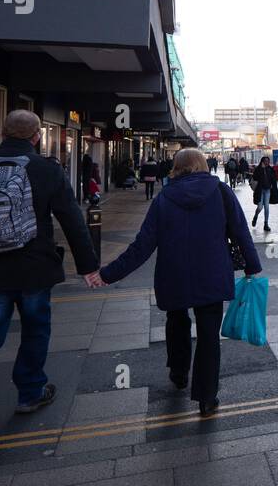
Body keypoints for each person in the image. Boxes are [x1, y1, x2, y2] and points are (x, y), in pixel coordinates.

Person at [0, 109, 100, 463]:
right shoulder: (45, 169)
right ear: (36, 137)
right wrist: (88, 267)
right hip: (32, 270)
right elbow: (72, 219)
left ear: (2, 134)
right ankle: (30, 391)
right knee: (35, 328)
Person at [97, 148, 262, 414]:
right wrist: (252, 267)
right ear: (201, 165)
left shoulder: (164, 198)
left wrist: (108, 274)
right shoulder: (220, 193)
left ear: (176, 167)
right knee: (209, 336)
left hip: (174, 274)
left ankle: (178, 371)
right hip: (212, 274)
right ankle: (206, 398)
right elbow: (241, 232)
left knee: (176, 320)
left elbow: (142, 246)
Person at [251, 155, 278, 232]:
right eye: (265, 161)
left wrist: (272, 185)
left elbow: (273, 178)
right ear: (262, 162)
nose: (267, 162)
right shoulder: (258, 169)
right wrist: (261, 169)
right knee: (260, 207)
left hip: (267, 190)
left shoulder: (270, 169)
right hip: (260, 190)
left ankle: (266, 224)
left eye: (268, 161)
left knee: (267, 207)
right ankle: (255, 216)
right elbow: (255, 177)